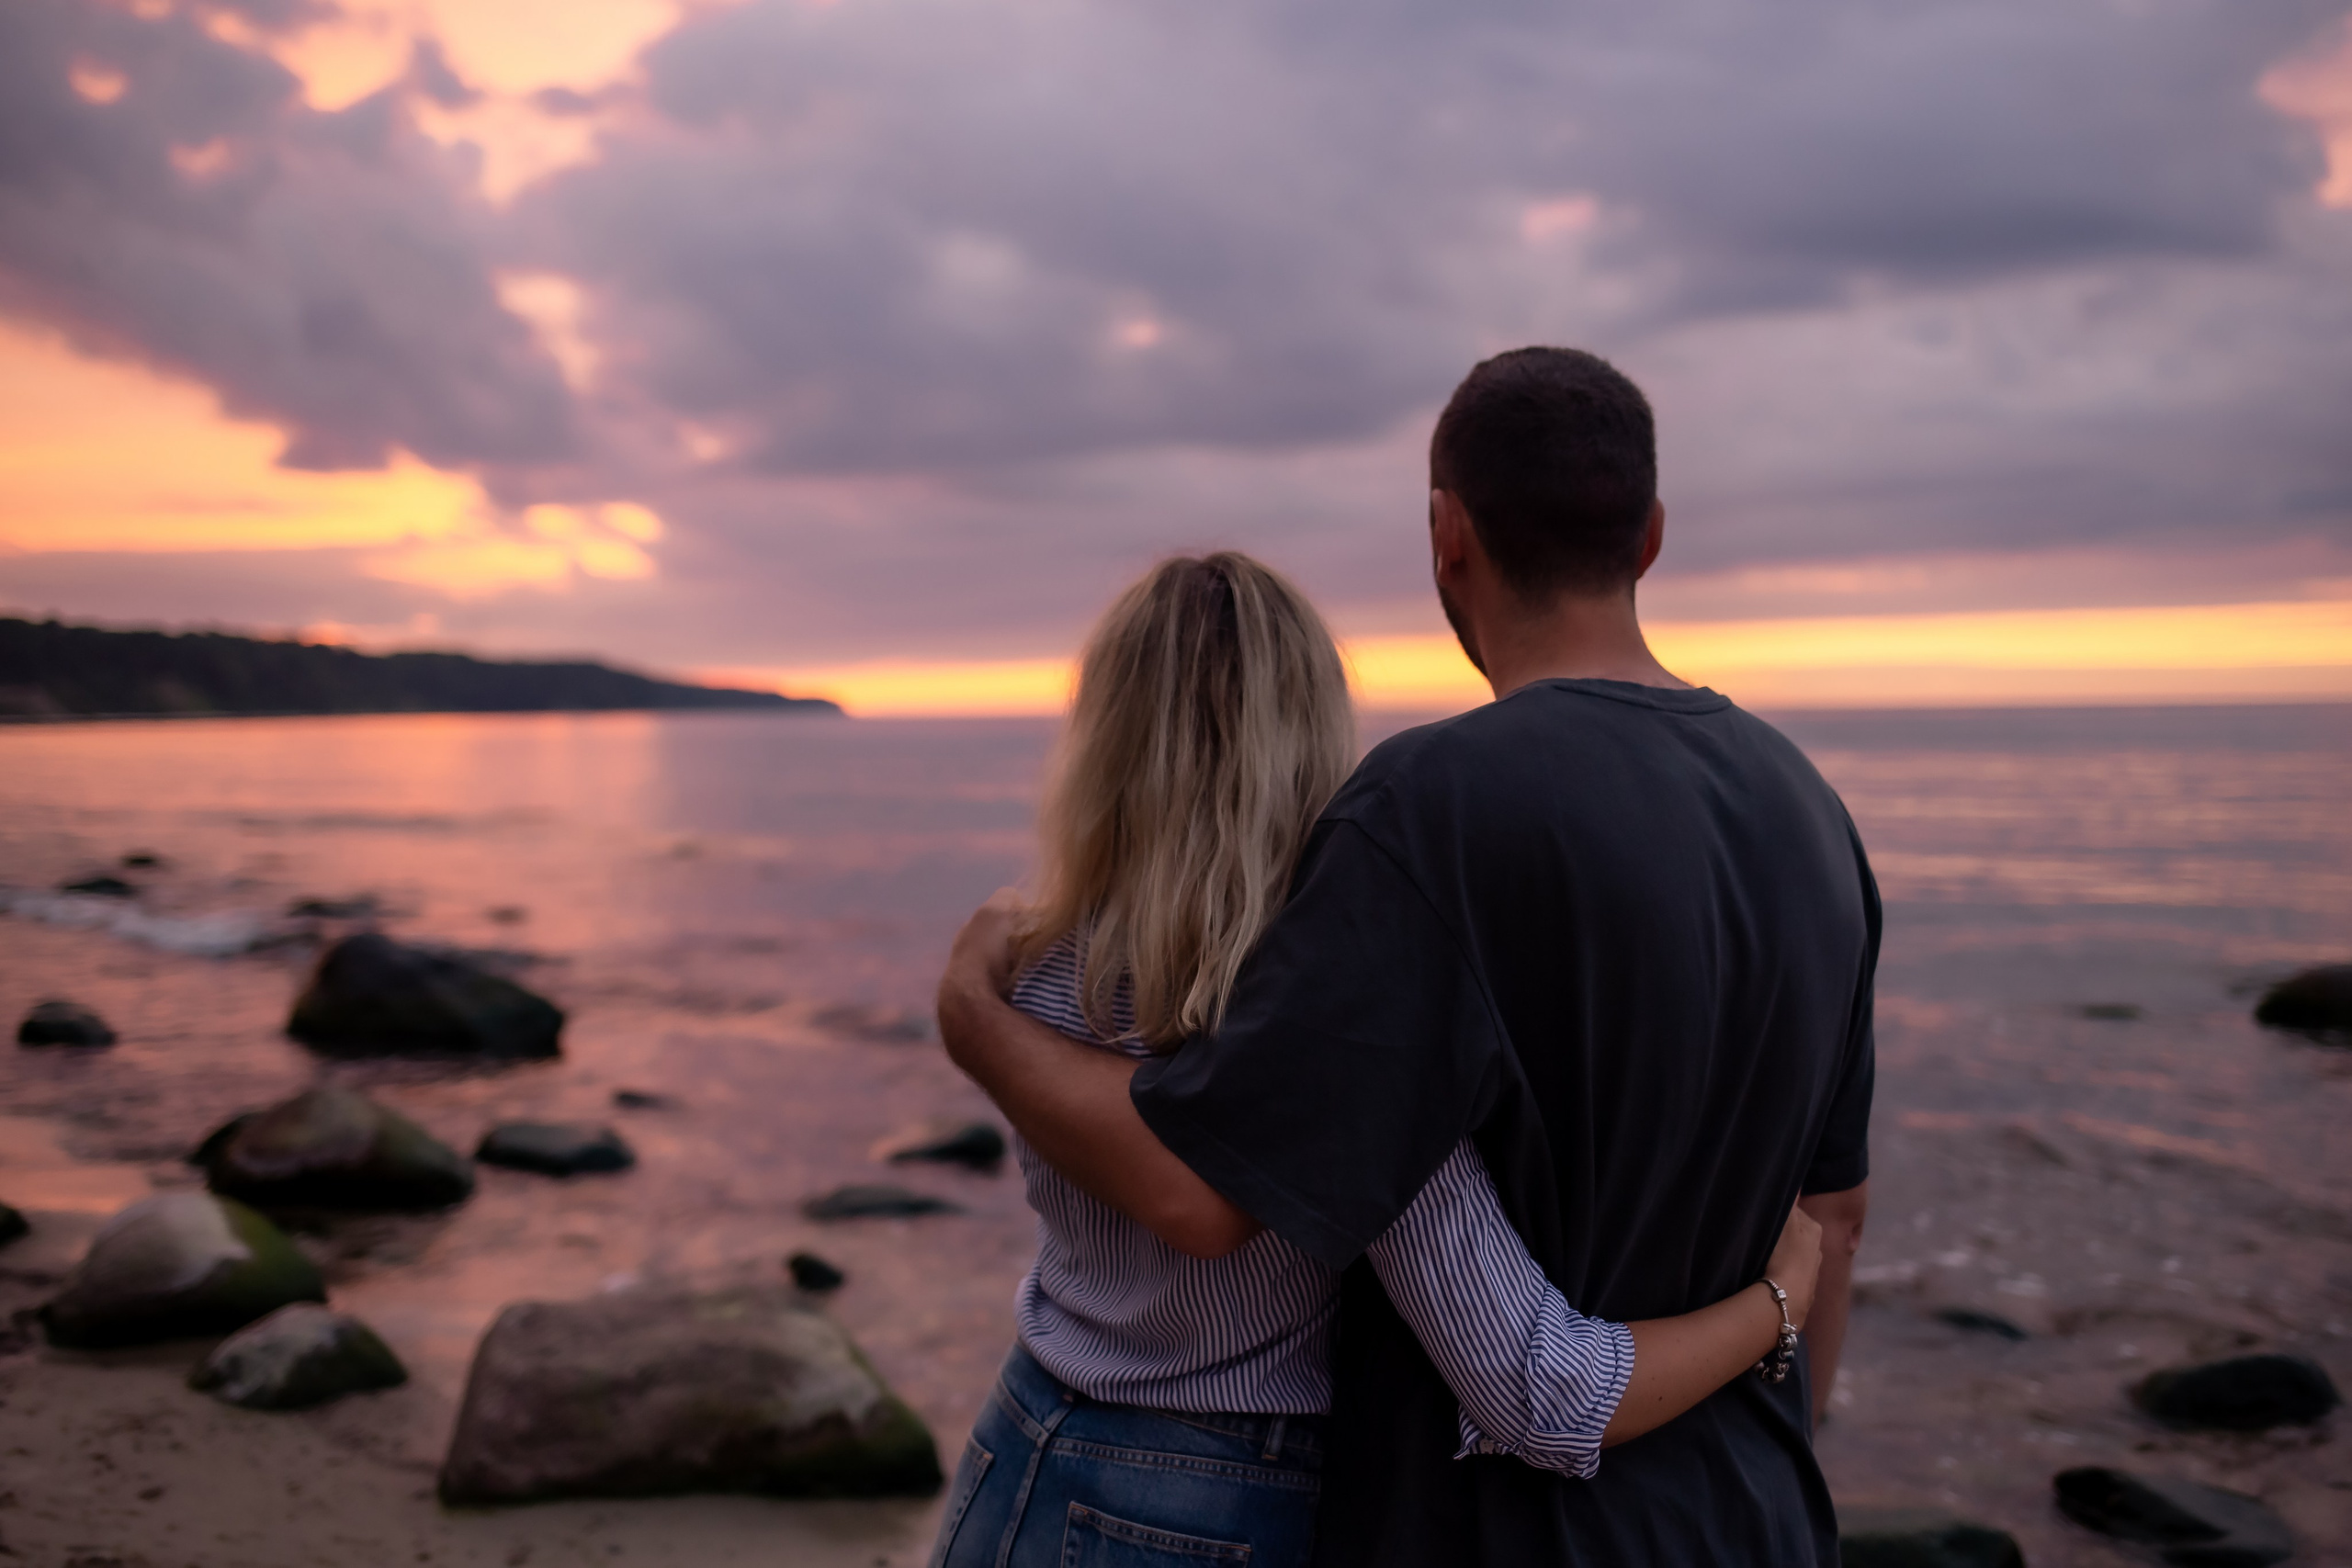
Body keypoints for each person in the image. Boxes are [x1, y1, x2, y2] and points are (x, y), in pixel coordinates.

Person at [938, 347, 1876, 1567]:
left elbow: (1203, 1187)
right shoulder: (1814, 815)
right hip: (1747, 1509)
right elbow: (1833, 1211)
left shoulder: (1424, 815)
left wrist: (973, 1013)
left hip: (1472, 1524)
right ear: (1651, 536)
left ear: (1447, 534)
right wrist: (1779, 1352)